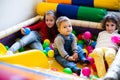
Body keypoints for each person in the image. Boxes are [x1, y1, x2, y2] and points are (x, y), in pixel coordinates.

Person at [89, 13, 120, 78]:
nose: (109, 28)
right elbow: (96, 42)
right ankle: (102, 76)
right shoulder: (101, 33)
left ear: (116, 25)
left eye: (112, 25)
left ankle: (112, 75)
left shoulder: (118, 35)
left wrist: (118, 42)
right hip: (99, 48)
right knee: (97, 52)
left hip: (111, 49)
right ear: (104, 25)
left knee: (109, 55)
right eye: (107, 25)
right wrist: (88, 41)